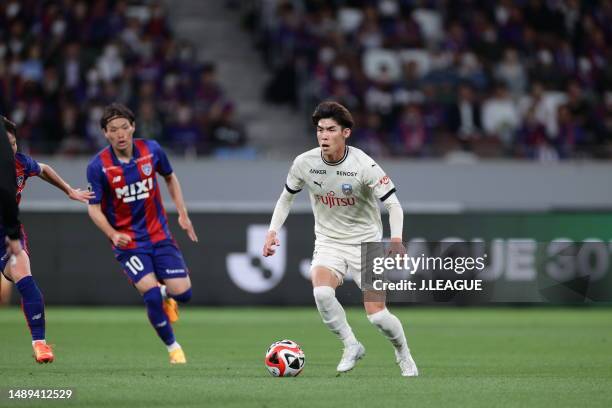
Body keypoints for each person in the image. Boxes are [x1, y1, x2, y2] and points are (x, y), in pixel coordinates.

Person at [262, 101, 418, 376]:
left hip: (366, 244)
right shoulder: (304, 163)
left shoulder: (363, 165)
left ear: (345, 133)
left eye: (330, 129)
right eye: (320, 129)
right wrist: (272, 231)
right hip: (328, 242)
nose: (323, 135)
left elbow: (393, 205)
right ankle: (350, 344)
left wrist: (395, 238)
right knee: (322, 292)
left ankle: (403, 353)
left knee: (378, 316)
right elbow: (286, 198)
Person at [86, 103, 198, 364]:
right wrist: (113, 234)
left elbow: (170, 177)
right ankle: (174, 348)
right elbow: (93, 210)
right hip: (128, 243)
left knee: (183, 294)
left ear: (133, 127)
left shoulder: (152, 150)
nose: (121, 134)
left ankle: (166, 295)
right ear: (105, 133)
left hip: (159, 236)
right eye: (113, 130)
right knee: (148, 292)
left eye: (125, 127)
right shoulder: (98, 166)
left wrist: (182, 213)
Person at [0, 115, 93, 363]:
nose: (10, 150)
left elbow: (44, 169)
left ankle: (40, 344)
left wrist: (70, 191)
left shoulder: (20, 163)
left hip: (8, 235)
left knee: (25, 277)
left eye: (12, 144)